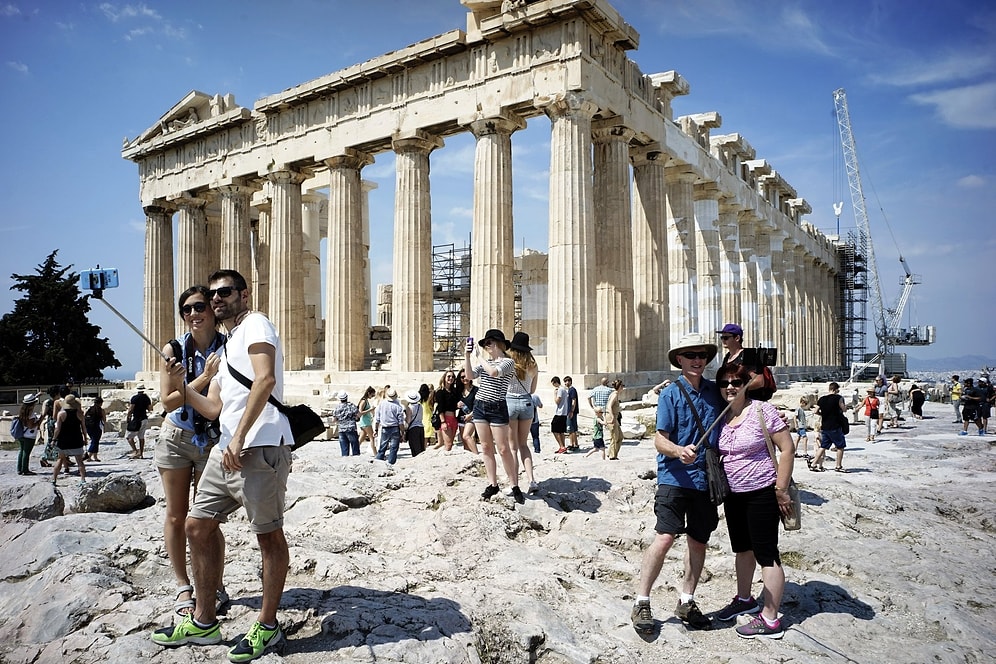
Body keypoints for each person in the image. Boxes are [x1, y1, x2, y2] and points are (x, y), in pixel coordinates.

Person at [152, 269, 292, 662]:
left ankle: (267, 625)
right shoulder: (227, 345)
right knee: (197, 526)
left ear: (243, 294)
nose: (216, 300)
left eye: (224, 292)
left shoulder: (257, 324)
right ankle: (204, 620)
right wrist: (184, 386)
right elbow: (213, 407)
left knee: (268, 537)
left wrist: (239, 436)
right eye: (211, 295)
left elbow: (264, 381)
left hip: (259, 445)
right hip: (227, 449)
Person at [631, 332, 722, 634]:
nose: (697, 360)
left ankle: (687, 599)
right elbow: (659, 439)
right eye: (691, 355)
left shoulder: (716, 391)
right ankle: (642, 601)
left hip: (705, 479)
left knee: (699, 540)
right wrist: (677, 451)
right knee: (665, 537)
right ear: (679, 360)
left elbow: (751, 391)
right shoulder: (670, 394)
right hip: (674, 477)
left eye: (702, 355)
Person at [156, 285, 229, 618]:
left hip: (210, 440)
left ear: (212, 310)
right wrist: (202, 378)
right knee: (175, 515)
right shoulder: (173, 349)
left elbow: (212, 406)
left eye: (199, 307)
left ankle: (214, 585)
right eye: (186, 309)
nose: (194, 314)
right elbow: (168, 401)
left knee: (207, 520)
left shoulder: (228, 347)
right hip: (175, 438)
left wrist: (187, 385)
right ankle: (183, 585)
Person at [712, 363, 794, 639]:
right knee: (743, 550)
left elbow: (787, 447)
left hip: (762, 493)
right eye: (724, 383)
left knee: (767, 554)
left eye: (737, 382)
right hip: (734, 495)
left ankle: (770, 619)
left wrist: (780, 489)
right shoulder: (721, 415)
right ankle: (745, 599)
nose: (731, 387)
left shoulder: (761, 410)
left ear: (747, 383)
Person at [465, 329, 523, 504]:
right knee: (485, 446)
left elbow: (493, 373)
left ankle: (514, 485)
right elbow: (469, 376)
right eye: (484, 344)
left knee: (503, 448)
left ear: (497, 343)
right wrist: (468, 357)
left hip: (498, 407)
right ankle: (493, 484)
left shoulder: (508, 362)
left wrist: (479, 358)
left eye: (488, 343)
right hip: (480, 405)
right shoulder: (486, 362)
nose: (485, 346)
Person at [506, 332, 538, 494]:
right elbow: (532, 389)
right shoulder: (533, 365)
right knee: (524, 444)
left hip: (510, 402)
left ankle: (514, 484)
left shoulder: (508, 364)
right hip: (526, 403)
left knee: (512, 447)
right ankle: (531, 480)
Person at [716, 323, 770, 400]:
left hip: (751, 401)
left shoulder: (748, 355)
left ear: (737, 338)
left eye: (726, 337)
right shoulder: (727, 357)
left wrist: (737, 389)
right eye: (722, 338)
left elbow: (759, 382)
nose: (723, 340)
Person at [811, 382, 848, 472]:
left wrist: (822, 414)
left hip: (825, 426)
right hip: (835, 425)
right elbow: (844, 409)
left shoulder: (822, 399)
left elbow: (815, 411)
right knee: (840, 446)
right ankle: (838, 466)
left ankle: (813, 464)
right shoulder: (838, 398)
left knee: (823, 446)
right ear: (836, 389)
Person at [52, 394, 87, 486]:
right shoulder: (80, 414)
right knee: (79, 460)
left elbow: (57, 429)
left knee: (60, 459)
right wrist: (85, 439)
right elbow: (83, 428)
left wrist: (54, 439)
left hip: (64, 439)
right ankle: (83, 479)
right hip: (77, 438)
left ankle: (54, 479)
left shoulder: (61, 414)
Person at [374, 388, 407, 463]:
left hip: (384, 427)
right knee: (393, 448)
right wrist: (403, 432)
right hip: (395, 428)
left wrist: (375, 429)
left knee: (382, 447)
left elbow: (377, 418)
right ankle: (390, 463)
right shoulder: (398, 406)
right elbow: (400, 422)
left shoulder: (381, 404)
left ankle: (378, 461)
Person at [14, 393, 41, 475]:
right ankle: (25, 470)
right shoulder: (31, 414)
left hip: (22, 434)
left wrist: (36, 395)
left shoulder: (23, 411)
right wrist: (40, 420)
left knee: (22, 451)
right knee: (26, 452)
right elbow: (31, 426)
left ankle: (19, 469)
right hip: (29, 436)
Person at [433, 370, 461, 450]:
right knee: (448, 444)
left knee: (450, 444)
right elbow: (440, 408)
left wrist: (457, 405)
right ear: (444, 378)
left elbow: (453, 406)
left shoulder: (454, 391)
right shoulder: (440, 392)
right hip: (445, 419)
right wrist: (443, 422)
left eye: (452, 377)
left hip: (453, 419)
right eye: (449, 376)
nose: (451, 378)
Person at [125, 384, 153, 459]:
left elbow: (131, 409)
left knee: (129, 437)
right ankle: (141, 453)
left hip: (137, 419)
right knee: (141, 437)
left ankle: (135, 451)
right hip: (144, 419)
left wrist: (128, 417)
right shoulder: (147, 398)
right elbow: (150, 409)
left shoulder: (135, 398)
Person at [38, 385, 62, 468]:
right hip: (54, 422)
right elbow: (44, 413)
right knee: (54, 440)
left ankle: (63, 458)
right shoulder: (55, 402)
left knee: (54, 440)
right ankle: (46, 457)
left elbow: (44, 414)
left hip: (51, 421)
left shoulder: (49, 402)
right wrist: (39, 424)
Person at [456, 369, 479, 454]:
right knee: (465, 443)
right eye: (462, 377)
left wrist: (470, 414)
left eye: (466, 376)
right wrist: (456, 405)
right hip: (462, 418)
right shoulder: (458, 391)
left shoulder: (476, 390)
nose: (465, 378)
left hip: (472, 417)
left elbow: (478, 405)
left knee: (466, 436)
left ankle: (477, 455)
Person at [331, 391, 361, 456]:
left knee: (344, 450)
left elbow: (334, 420)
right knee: (355, 449)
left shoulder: (337, 407)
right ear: (346, 397)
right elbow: (359, 415)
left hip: (341, 429)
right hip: (351, 428)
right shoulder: (351, 406)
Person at [83, 396, 106, 462]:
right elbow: (104, 419)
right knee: (95, 441)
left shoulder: (89, 409)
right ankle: (89, 456)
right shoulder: (101, 410)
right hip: (97, 427)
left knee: (95, 441)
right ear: (101, 403)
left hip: (88, 427)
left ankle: (95, 456)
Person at [606, 379, 624, 460]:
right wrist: (612, 416)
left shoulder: (615, 394)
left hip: (615, 417)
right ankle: (612, 455)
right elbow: (609, 406)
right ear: (619, 387)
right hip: (612, 417)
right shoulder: (614, 395)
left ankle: (610, 453)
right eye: (622, 386)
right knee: (615, 437)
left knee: (620, 436)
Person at [404, 390, 426, 457]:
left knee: (415, 449)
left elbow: (409, 420)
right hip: (421, 427)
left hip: (413, 429)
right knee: (421, 448)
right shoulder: (420, 406)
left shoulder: (409, 408)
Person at [551, 376, 569, 453]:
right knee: (561, 431)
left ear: (555, 382)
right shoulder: (564, 389)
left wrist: (555, 394)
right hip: (564, 412)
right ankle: (563, 447)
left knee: (555, 429)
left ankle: (561, 446)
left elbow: (557, 401)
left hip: (560, 413)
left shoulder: (560, 390)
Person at [357, 386, 377, 455]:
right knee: (372, 438)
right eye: (372, 395)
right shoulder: (363, 401)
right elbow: (360, 412)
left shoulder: (366, 400)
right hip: (365, 422)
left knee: (362, 438)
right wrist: (370, 410)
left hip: (366, 421)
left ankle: (355, 450)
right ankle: (375, 454)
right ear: (369, 393)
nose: (373, 396)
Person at [564, 376, 580, 451]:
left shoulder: (572, 390)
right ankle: (574, 443)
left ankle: (572, 444)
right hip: (569, 411)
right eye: (565, 381)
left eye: (568, 381)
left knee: (571, 428)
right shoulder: (568, 390)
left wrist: (571, 411)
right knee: (571, 428)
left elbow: (574, 401)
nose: (566, 382)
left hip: (571, 412)